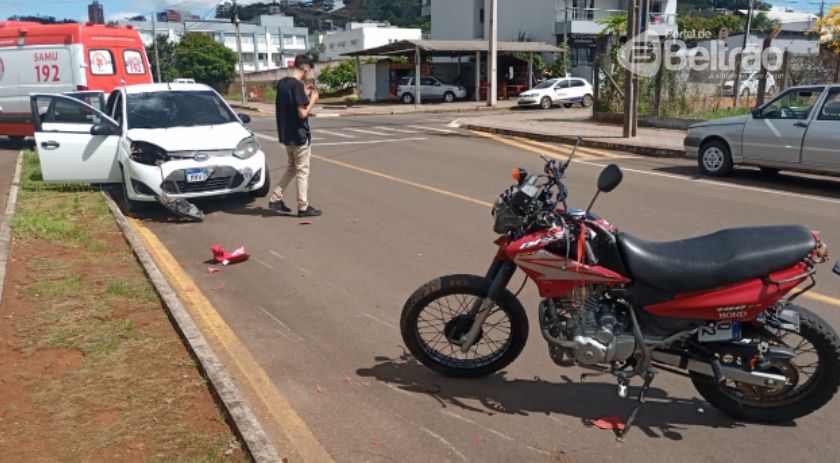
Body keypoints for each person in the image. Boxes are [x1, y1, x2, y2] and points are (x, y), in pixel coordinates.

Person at [269, 54, 322, 217]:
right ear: (305, 68)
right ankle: (303, 207)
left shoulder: (283, 84)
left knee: (292, 168)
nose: (309, 75)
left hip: (286, 135)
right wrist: (313, 99)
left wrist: (303, 93)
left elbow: (291, 103)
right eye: (309, 71)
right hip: (299, 136)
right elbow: (302, 113)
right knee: (302, 171)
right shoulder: (297, 86)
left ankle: (275, 198)